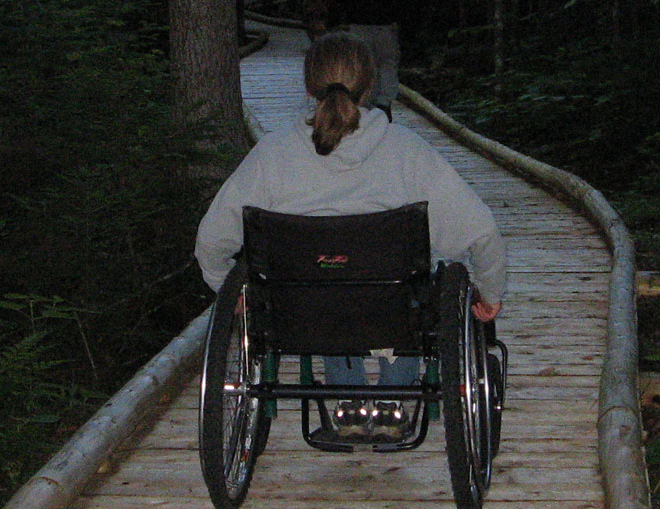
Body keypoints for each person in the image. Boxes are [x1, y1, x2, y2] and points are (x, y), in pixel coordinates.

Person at [194, 32, 505, 440]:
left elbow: (211, 241)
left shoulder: (272, 154)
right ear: (370, 85)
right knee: (403, 289)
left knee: (324, 282)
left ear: (308, 87)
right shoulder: (407, 151)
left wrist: (225, 285)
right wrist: (490, 291)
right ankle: (395, 399)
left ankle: (348, 405)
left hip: (303, 315)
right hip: (394, 312)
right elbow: (481, 231)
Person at [325, 0, 403, 118]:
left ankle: (365, 101)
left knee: (362, 65)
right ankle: (384, 102)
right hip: (386, 25)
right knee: (387, 65)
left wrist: (333, 21)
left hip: (359, 25)